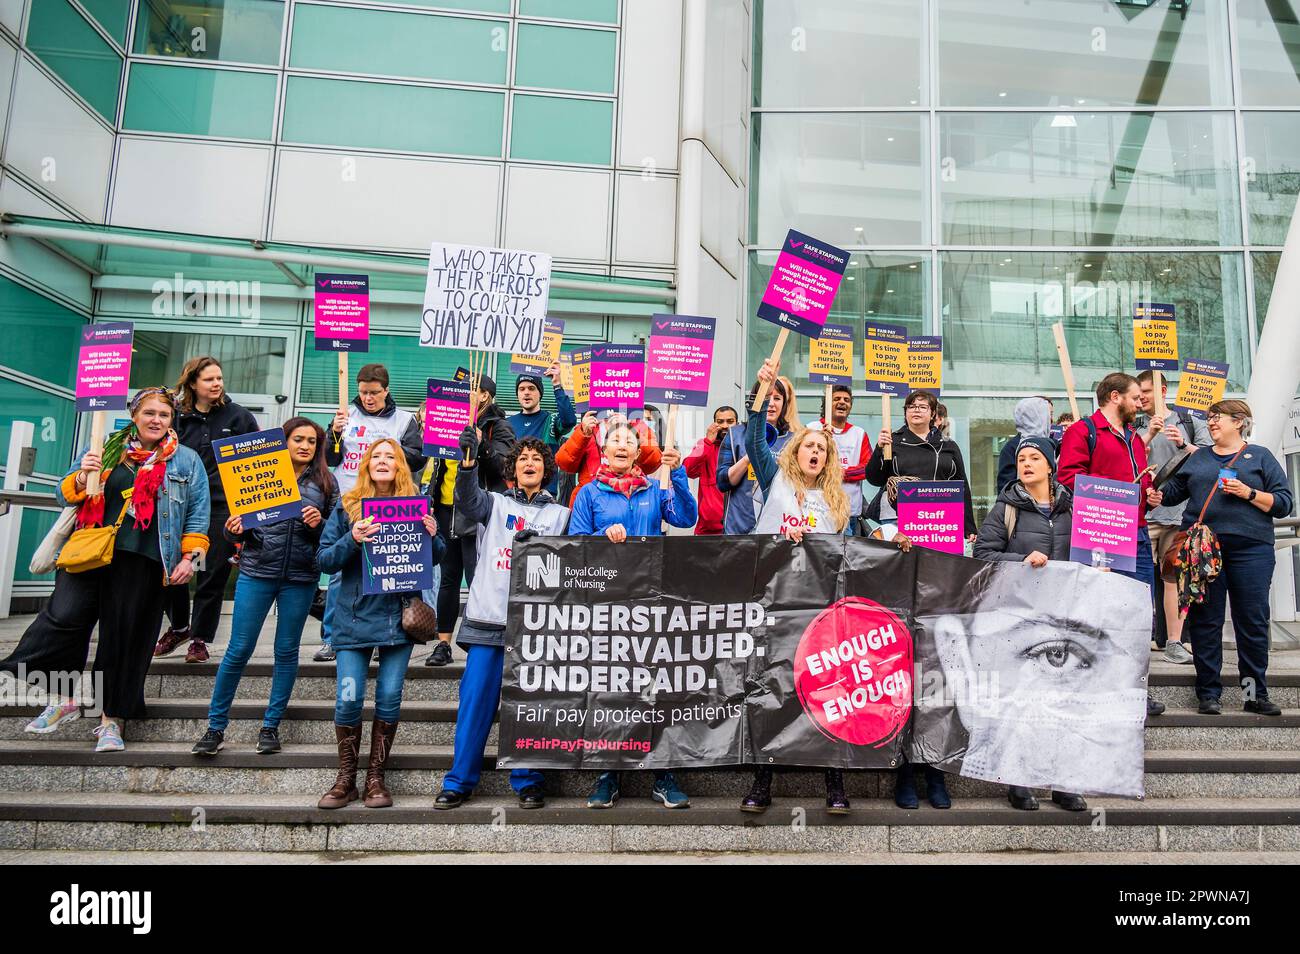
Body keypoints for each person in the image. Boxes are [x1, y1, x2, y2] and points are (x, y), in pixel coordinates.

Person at [4, 388, 210, 751]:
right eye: (149, 413)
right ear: (134, 415)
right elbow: (61, 493)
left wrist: (189, 558)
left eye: (164, 414)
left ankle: (110, 719)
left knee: (125, 638)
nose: (156, 420)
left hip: (145, 560)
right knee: (62, 618)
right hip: (90, 552)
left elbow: (197, 513)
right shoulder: (104, 447)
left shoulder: (186, 461)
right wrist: (83, 478)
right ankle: (62, 697)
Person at [741, 359, 856, 813]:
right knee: (775, 690)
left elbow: (859, 541)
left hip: (823, 606)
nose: (814, 453)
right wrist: (763, 388)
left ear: (827, 460)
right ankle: (762, 782)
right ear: (795, 451)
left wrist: (893, 537)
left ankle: (836, 783)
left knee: (830, 692)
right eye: (807, 446)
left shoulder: (837, 502)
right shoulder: (776, 481)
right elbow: (753, 439)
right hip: (777, 603)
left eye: (821, 449)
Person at [434, 436, 571, 810]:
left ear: (546, 469)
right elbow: (466, 500)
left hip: (536, 628)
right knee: (475, 705)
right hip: (489, 619)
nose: (530, 463)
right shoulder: (493, 503)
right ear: (513, 469)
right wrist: (468, 462)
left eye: (537, 459)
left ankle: (528, 779)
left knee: (528, 708)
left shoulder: (560, 515)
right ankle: (459, 780)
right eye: (523, 458)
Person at [568, 420, 697, 809]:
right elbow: (575, 544)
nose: (623, 445)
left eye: (630, 441)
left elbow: (685, 518)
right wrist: (601, 538)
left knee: (656, 690)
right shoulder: (588, 494)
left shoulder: (654, 491)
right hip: (607, 607)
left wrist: (676, 475)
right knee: (611, 691)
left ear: (639, 452)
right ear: (603, 451)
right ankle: (608, 775)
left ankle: (663, 775)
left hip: (651, 604)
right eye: (616, 440)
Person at [191, 418, 339, 756]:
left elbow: (335, 537)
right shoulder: (256, 474)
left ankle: (270, 727)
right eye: (297, 439)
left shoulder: (327, 484)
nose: (305, 446)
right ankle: (215, 728)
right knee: (238, 650)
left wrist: (320, 525)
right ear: (282, 441)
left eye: (312, 442)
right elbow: (237, 531)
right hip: (257, 572)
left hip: (300, 578)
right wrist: (233, 530)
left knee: (286, 652)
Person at [316, 438, 443, 809]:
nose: (384, 461)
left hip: (397, 621)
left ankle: (375, 778)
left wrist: (433, 536)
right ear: (367, 464)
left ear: (401, 466)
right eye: (377, 456)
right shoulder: (347, 506)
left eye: (391, 456)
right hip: (353, 619)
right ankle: (345, 778)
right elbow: (324, 560)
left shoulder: (417, 506)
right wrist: (352, 539)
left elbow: (434, 560)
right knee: (348, 698)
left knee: (389, 697)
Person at [864, 388, 974, 809]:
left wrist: (969, 533)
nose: (915, 410)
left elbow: (962, 490)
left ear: (934, 413)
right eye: (910, 405)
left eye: (922, 406)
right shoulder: (893, 441)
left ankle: (936, 773)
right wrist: (880, 452)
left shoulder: (948, 447)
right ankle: (904, 773)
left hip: (941, 554)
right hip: (901, 551)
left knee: (936, 672)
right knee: (902, 668)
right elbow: (875, 481)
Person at [1149, 400, 1294, 717]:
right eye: (1210, 417)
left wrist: (1248, 493)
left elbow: (1284, 503)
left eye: (1218, 418)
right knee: (1205, 623)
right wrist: (1155, 494)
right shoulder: (1197, 458)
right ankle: (1208, 694)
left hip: (1251, 551)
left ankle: (1253, 694)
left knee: (1252, 622)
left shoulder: (1261, 457)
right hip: (1202, 552)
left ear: (1240, 422)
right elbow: (1170, 493)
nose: (1211, 423)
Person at [973, 437, 1087, 812]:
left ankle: (1064, 782)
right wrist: (1023, 558)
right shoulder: (1007, 507)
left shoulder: (1074, 506)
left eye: (1034, 458)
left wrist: (1098, 566)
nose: (1026, 464)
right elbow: (983, 554)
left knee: (1064, 701)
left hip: (1066, 616)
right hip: (1022, 617)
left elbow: (1090, 551)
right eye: (1021, 458)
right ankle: (1019, 781)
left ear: (1050, 466)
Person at [1057, 372, 1166, 717]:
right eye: (1136, 398)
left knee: (1138, 614)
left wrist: (1148, 494)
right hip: (1101, 534)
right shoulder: (1083, 431)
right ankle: (1098, 686)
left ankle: (1136, 688)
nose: (1140, 403)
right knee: (1101, 612)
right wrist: (1118, 492)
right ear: (1115, 397)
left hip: (1136, 532)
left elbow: (1140, 479)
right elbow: (1068, 477)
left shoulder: (1134, 437)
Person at [153, 357, 258, 664]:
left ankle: (199, 638)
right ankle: (181, 626)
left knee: (211, 573)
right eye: (209, 379)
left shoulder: (239, 417)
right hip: (177, 506)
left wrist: (250, 515)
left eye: (219, 378)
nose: (217, 384)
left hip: (221, 508)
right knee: (171, 569)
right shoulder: (177, 418)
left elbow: (256, 464)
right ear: (192, 384)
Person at [318, 363, 424, 664]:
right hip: (351, 500)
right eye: (363, 392)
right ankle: (331, 637)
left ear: (386, 391)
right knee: (341, 574)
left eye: (374, 393)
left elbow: (417, 459)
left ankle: (381, 635)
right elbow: (329, 457)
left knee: (387, 572)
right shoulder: (345, 415)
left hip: (391, 504)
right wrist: (334, 433)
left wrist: (387, 452)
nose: (368, 398)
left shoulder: (404, 421)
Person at [421, 373, 516, 667]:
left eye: (467, 390)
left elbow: (505, 467)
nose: (458, 394)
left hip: (478, 511)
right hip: (446, 510)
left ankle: (480, 643)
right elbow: (432, 464)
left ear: (484, 395)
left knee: (479, 579)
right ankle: (443, 644)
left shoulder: (497, 425)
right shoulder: (446, 417)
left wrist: (481, 445)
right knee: (449, 580)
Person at [1135, 370, 1211, 664]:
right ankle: (1139, 638)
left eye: (1146, 391)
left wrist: (1182, 443)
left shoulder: (1190, 423)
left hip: (1179, 514)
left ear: (1162, 390)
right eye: (1137, 393)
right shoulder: (1135, 424)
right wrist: (1149, 434)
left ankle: (1175, 641)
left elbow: (1210, 457)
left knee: (1175, 579)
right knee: (1137, 581)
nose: (1140, 397)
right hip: (1143, 514)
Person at [716, 374, 800, 533]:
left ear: (784, 404)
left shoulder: (794, 441)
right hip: (739, 529)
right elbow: (722, 482)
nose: (771, 404)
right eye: (767, 397)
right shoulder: (736, 434)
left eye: (777, 398)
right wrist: (751, 456)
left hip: (777, 530)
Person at [556, 409, 661, 507]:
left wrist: (631, 428)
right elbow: (564, 463)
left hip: (630, 499)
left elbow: (653, 461)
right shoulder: (588, 425)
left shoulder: (637, 424)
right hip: (590, 502)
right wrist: (582, 434)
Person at [506, 363, 576, 494]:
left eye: (531, 388)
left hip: (545, 493)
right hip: (514, 494)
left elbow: (569, 421)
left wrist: (557, 385)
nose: (526, 392)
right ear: (517, 395)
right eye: (522, 389)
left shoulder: (551, 420)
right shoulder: (507, 423)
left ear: (540, 394)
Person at [808, 385, 872, 529]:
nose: (842, 402)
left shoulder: (859, 433)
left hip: (850, 513)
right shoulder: (812, 428)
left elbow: (868, 468)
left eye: (847, 400)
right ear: (827, 404)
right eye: (836, 399)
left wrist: (838, 472)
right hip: (816, 509)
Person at [683, 406, 738, 535]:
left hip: (737, 528)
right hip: (708, 530)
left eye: (730, 421)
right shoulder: (705, 445)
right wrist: (707, 442)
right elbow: (687, 470)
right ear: (714, 423)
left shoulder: (744, 446)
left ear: (737, 423)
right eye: (720, 422)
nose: (725, 425)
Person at [994, 396, 1052, 495]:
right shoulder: (1012, 448)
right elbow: (1005, 488)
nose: (1050, 419)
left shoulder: (1053, 445)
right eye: (1022, 459)